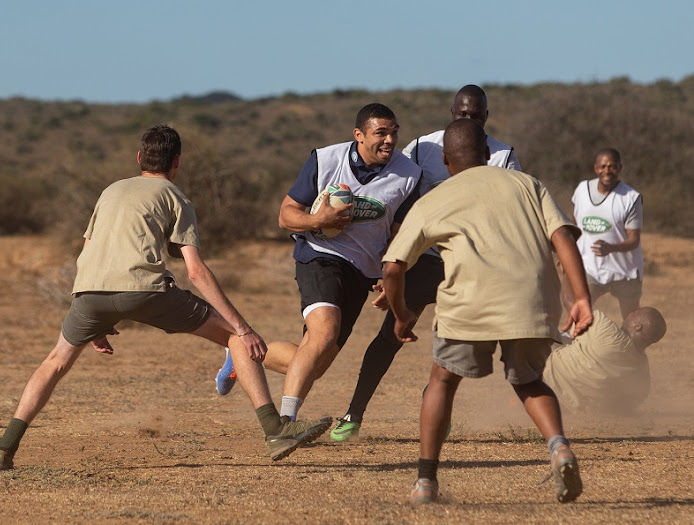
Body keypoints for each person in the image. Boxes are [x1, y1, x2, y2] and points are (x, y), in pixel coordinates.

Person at [0, 125, 331, 471]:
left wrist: (95, 319)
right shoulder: (174, 197)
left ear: (139, 158)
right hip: (145, 290)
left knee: (55, 362)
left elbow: (85, 253)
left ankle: (3, 448)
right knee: (234, 337)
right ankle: (275, 430)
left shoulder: (110, 191)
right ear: (176, 163)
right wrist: (244, 327)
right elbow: (195, 271)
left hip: (87, 292)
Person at [381, 118, 593, 505]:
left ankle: (426, 483)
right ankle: (559, 447)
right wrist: (581, 296)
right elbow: (562, 235)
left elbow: (393, 267)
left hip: (468, 303)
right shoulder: (527, 184)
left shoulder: (434, 200)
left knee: (441, 381)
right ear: (488, 153)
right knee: (529, 381)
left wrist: (401, 314)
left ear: (445, 159)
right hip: (530, 300)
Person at [330, 84, 523, 442]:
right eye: (462, 114)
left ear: (486, 117)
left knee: (461, 340)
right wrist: (389, 263)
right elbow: (395, 200)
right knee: (390, 335)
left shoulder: (504, 155)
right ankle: (353, 413)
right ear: (452, 113)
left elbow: (510, 209)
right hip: (426, 257)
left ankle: (437, 403)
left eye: (476, 115)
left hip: (472, 264)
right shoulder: (422, 147)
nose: (469, 119)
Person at [216, 103, 422, 422]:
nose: (390, 140)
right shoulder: (326, 160)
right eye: (381, 133)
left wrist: (389, 273)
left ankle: (242, 354)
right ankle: (285, 423)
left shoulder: (409, 174)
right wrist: (318, 219)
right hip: (320, 256)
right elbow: (286, 216)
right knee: (324, 334)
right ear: (359, 135)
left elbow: (398, 234)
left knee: (316, 362)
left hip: (362, 271)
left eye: (394, 133)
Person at [563, 148, 643, 319]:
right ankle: (590, 342)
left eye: (612, 167)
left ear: (620, 168)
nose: (607, 171)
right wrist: (567, 251)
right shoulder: (582, 190)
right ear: (595, 168)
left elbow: (634, 240)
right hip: (591, 267)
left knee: (632, 321)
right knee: (581, 308)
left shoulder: (630, 198)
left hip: (624, 270)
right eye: (603, 166)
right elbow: (574, 225)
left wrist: (611, 248)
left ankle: (631, 346)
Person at [543, 307, 666, 414]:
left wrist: (574, 280)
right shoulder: (643, 376)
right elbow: (629, 404)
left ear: (637, 326)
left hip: (544, 379)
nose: (629, 313)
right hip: (568, 407)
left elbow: (574, 303)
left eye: (634, 313)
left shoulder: (607, 331)